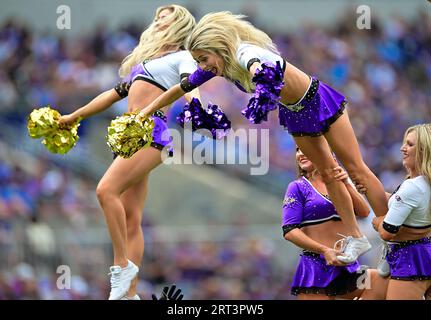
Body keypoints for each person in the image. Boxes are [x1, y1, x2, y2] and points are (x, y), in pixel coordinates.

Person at [140, 11, 389, 263]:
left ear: (218, 48)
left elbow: (258, 67)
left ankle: (394, 230)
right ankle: (356, 237)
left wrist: (259, 79)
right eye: (198, 61)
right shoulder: (218, 66)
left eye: (204, 59)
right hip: (295, 114)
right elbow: (181, 88)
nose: (203, 66)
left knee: (356, 170)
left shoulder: (243, 53)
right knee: (326, 173)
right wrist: (145, 112)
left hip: (318, 101)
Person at [59, 4, 199, 300]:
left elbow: (192, 83)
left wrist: (197, 105)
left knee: (105, 190)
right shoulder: (146, 62)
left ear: (179, 24)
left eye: (166, 17)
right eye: (158, 16)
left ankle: (121, 268)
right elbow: (113, 94)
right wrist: (75, 116)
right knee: (131, 217)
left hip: (152, 134)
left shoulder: (182, 57)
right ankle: (130, 294)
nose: (159, 20)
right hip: (128, 137)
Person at [282, 147, 388, 299]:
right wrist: (325, 250)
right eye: (298, 150)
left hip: (346, 266)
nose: (301, 153)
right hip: (316, 268)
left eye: (306, 148)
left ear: (328, 154)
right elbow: (290, 231)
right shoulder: (297, 187)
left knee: (381, 282)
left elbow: (363, 212)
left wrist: (345, 182)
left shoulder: (339, 184)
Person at [370, 124, 431, 300]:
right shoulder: (423, 183)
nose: (402, 148)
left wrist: (378, 221)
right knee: (364, 284)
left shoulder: (412, 186)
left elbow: (386, 232)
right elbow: (404, 203)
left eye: (410, 144)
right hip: (420, 256)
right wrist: (367, 191)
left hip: (411, 261)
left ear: (423, 150)